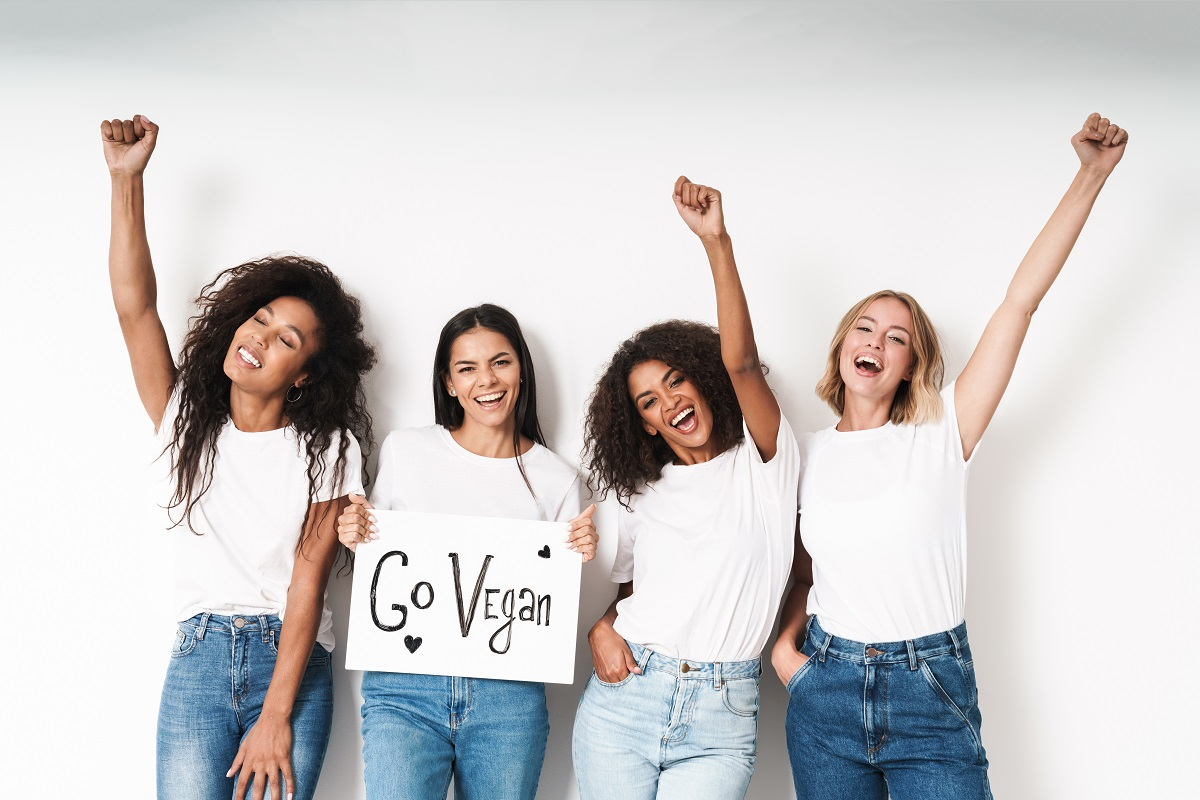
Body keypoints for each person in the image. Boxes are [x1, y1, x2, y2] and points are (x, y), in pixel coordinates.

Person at [772, 112, 1129, 798]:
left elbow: (1019, 304)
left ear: (911, 364)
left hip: (929, 691)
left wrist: (1089, 176)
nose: (876, 341)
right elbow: (801, 571)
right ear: (843, 348)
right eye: (864, 328)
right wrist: (787, 652)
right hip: (825, 693)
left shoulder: (942, 431)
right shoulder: (805, 454)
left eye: (897, 336)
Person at [102, 114, 376, 800]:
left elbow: (309, 581)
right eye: (260, 320)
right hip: (198, 661)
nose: (260, 338)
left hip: (292, 664)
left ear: (304, 375)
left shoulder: (328, 447)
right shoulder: (184, 421)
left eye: (287, 340)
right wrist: (126, 181)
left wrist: (276, 715)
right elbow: (136, 310)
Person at [571, 177, 801, 799]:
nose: (669, 402)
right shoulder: (640, 493)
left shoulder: (765, 461)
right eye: (649, 400)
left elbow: (742, 362)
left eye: (676, 382)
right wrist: (601, 627)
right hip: (625, 702)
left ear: (703, 379)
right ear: (643, 423)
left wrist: (716, 244)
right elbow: (635, 594)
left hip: (722, 716)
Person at [336, 303, 598, 800]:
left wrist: (578, 553)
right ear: (449, 383)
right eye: (467, 368)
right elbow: (376, 550)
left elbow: (547, 608)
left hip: (508, 697)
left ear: (521, 369)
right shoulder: (406, 451)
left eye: (501, 362)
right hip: (405, 686)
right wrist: (355, 530)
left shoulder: (557, 480)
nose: (487, 380)